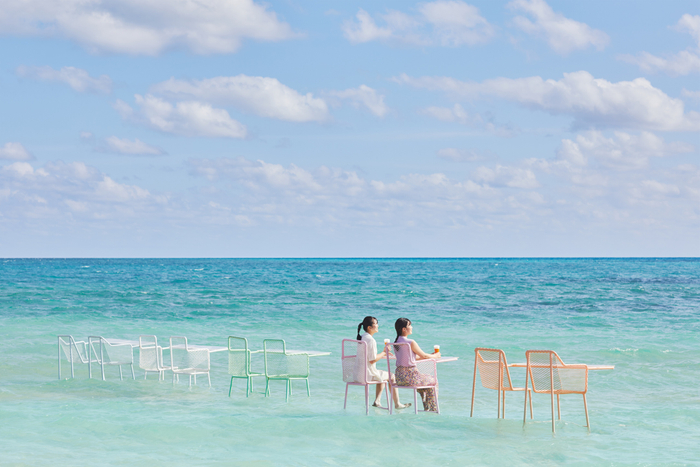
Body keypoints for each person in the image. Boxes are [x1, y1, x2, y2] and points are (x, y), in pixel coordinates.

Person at [356, 316, 410, 410]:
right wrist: (384, 352)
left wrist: (382, 354)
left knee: (382, 374)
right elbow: (372, 360)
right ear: (369, 327)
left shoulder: (363, 337)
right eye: (376, 323)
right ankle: (397, 404)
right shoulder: (371, 340)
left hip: (358, 373)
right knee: (392, 376)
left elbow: (368, 357)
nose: (378, 325)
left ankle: (377, 401)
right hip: (367, 375)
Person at [393, 317, 440, 412]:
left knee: (426, 383)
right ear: (404, 329)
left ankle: (428, 408)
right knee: (433, 380)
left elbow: (412, 357)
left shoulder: (395, 343)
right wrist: (436, 355)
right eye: (409, 325)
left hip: (400, 378)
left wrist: (430, 355)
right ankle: (432, 409)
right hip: (411, 377)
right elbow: (424, 356)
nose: (412, 327)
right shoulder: (410, 342)